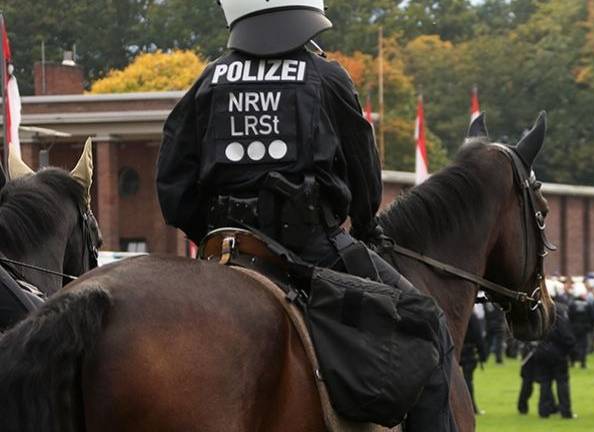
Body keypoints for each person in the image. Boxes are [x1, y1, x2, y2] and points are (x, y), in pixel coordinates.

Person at [154, 2, 456, 430]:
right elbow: (364, 174)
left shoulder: (209, 79)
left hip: (228, 250)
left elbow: (172, 184)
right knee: (428, 322)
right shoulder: (326, 76)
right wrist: (365, 226)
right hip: (311, 249)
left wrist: (212, 233)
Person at [535, 304, 577, 419]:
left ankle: (544, 411)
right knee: (562, 382)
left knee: (545, 383)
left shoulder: (537, 309)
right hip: (558, 353)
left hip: (542, 351)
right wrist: (569, 351)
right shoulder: (558, 311)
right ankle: (565, 411)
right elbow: (566, 335)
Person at [461, 306, 488, 415]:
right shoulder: (472, 317)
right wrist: (483, 354)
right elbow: (478, 337)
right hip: (469, 352)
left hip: (457, 350)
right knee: (468, 381)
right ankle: (471, 407)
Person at [568, 282, 594, 369]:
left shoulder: (572, 304)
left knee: (572, 345)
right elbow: (593, 316)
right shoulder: (588, 305)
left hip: (573, 328)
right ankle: (583, 363)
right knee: (583, 346)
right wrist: (590, 326)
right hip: (584, 328)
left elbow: (569, 316)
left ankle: (572, 362)